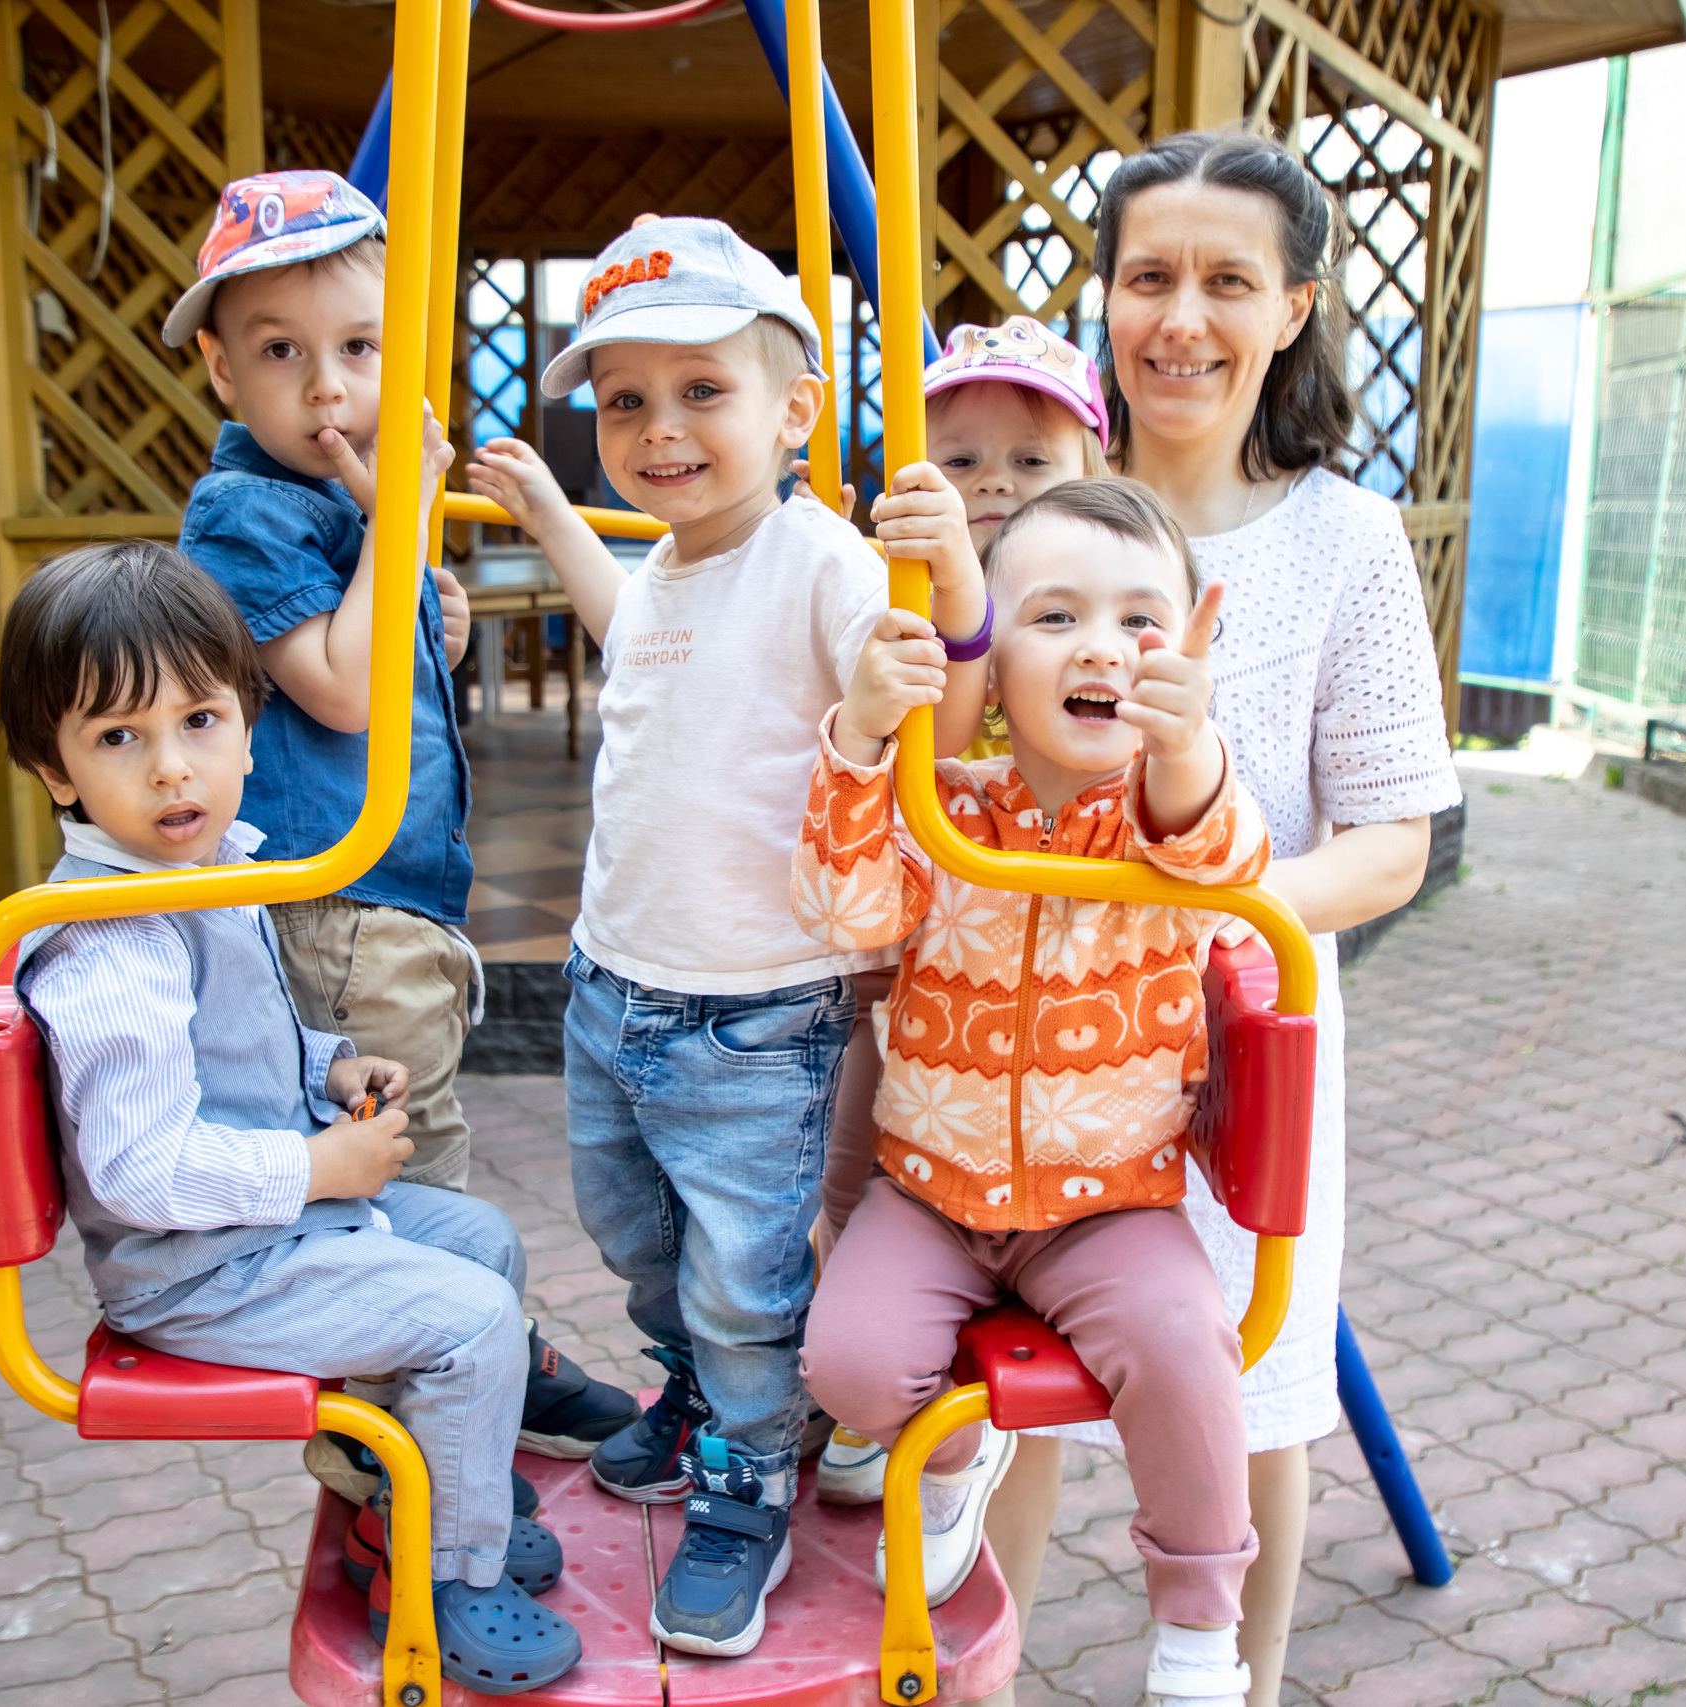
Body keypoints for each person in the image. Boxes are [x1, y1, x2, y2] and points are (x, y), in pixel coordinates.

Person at [975, 130, 1466, 1707]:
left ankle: (1233, 1686)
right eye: (1148, 276)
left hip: (1240, 1045)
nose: (1180, 316)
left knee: (1254, 1396)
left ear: (1295, 307)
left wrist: (1208, 921)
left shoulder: (1343, 538)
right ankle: (978, 1669)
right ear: (1104, 299)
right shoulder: (1031, 518)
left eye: (1226, 281)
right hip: (1029, 1047)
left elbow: (1391, 839)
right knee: (1014, 1400)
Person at [463, 214, 989, 1658]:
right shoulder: (679, 568)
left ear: (795, 410)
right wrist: (554, 517)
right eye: (625, 399)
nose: (659, 427)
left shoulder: (823, 561)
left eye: (702, 388)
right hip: (611, 986)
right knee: (634, 1235)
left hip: (758, 1008)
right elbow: (629, 626)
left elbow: (936, 730)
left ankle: (751, 1478)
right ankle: (696, 1389)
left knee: (744, 1273)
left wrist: (946, 602)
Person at [0, 542, 580, 1695]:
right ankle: (446, 1572)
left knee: (483, 1243)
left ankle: (435, 1492)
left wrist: (330, 1071)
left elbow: (235, 1043)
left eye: (199, 721)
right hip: (198, 1271)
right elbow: (138, 1169)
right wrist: (318, 1166)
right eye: (118, 738)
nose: (172, 770)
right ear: (53, 769)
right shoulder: (113, 940)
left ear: (248, 728)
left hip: (263, 1230)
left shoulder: (209, 875)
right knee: (465, 1317)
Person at [165, 170, 638, 1472]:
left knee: (427, 1159)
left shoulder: (350, 505)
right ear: (218, 369)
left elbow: (393, 649)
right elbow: (331, 679)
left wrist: (432, 601)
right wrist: (400, 526)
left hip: (399, 899)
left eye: (359, 349)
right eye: (280, 353)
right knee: (394, 1177)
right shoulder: (245, 509)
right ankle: (397, 1446)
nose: (326, 389)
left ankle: (482, 1365)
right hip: (337, 905)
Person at [793, 477, 1266, 1707]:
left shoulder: (1165, 825)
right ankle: (950, 1464)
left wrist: (1189, 747)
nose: (1102, 645)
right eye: (1053, 617)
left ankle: (1199, 1623)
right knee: (844, 1365)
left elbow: (1228, 855)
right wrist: (857, 737)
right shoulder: (946, 810)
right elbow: (845, 912)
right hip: (933, 1192)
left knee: (1184, 1345)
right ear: (989, 661)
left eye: (1140, 622)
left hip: (1107, 1201)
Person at [804, 315, 1114, 1507]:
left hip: (1028, 965)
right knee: (854, 1158)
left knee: (1005, 1177)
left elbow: (983, 735)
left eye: (1029, 463)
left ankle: (946, 1409)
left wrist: (975, 602)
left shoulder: (1085, 600)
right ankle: (874, 1390)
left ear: (1090, 472)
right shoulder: (904, 584)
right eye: (964, 459)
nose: (992, 487)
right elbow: (910, 749)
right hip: (905, 934)